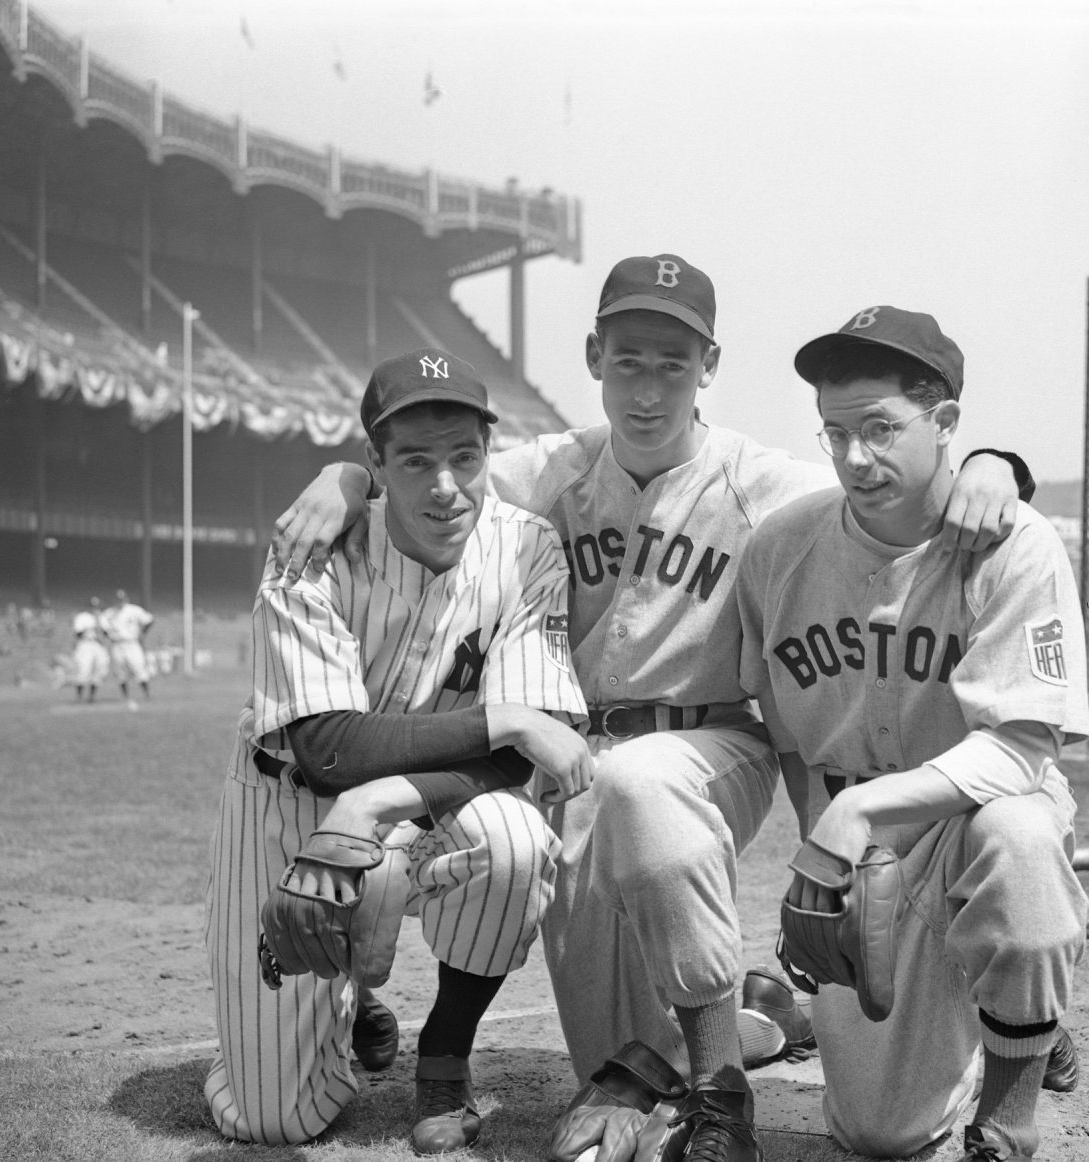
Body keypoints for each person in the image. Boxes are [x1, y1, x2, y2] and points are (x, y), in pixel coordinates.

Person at [272, 257, 1029, 1158]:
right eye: (629, 359)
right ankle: (760, 1019)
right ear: (594, 355)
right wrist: (344, 477)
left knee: (641, 815)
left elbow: (892, 484)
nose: (649, 386)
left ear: (710, 365)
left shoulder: (763, 482)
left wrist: (992, 460)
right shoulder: (544, 471)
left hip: (709, 746)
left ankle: (718, 1081)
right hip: (568, 760)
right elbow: (431, 469)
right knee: (616, 1059)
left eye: (674, 362)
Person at [205, 348, 591, 1151]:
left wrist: (381, 803)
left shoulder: (527, 549)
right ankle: (339, 1008)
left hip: (423, 805)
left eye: (465, 457)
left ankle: (445, 1052)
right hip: (288, 806)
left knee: (515, 842)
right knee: (272, 1120)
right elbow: (326, 751)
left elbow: (529, 761)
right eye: (415, 460)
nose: (445, 486)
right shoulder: (310, 552)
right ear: (375, 465)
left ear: (488, 455)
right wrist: (506, 720)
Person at [735, 306, 1087, 1161]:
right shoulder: (779, 549)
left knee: (1020, 837)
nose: (857, 458)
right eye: (836, 433)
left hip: (974, 824)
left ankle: (1011, 1107)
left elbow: (1021, 749)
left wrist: (856, 819)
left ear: (947, 424)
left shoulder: (1017, 545)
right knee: (881, 1135)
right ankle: (991, 1003)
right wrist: (831, 859)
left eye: (883, 428)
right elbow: (784, 728)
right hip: (861, 848)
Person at [103, 589, 154, 703]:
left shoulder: (133, 610)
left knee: (138, 667)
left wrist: (143, 633)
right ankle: (125, 696)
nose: (120, 602)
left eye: (122, 599)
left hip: (131, 643)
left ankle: (146, 693)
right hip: (117, 644)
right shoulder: (109, 613)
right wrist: (109, 636)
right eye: (117, 600)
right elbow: (104, 628)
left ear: (126, 599)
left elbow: (149, 620)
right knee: (120, 671)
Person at [71, 597, 111, 702]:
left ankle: (92, 696)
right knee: (83, 669)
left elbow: (107, 633)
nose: (95, 608)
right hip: (85, 643)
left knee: (101, 668)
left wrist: (99, 625)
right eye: (93, 606)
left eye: (97, 606)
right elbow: (78, 633)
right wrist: (91, 627)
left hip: (98, 644)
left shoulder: (102, 617)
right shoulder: (82, 617)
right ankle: (79, 696)